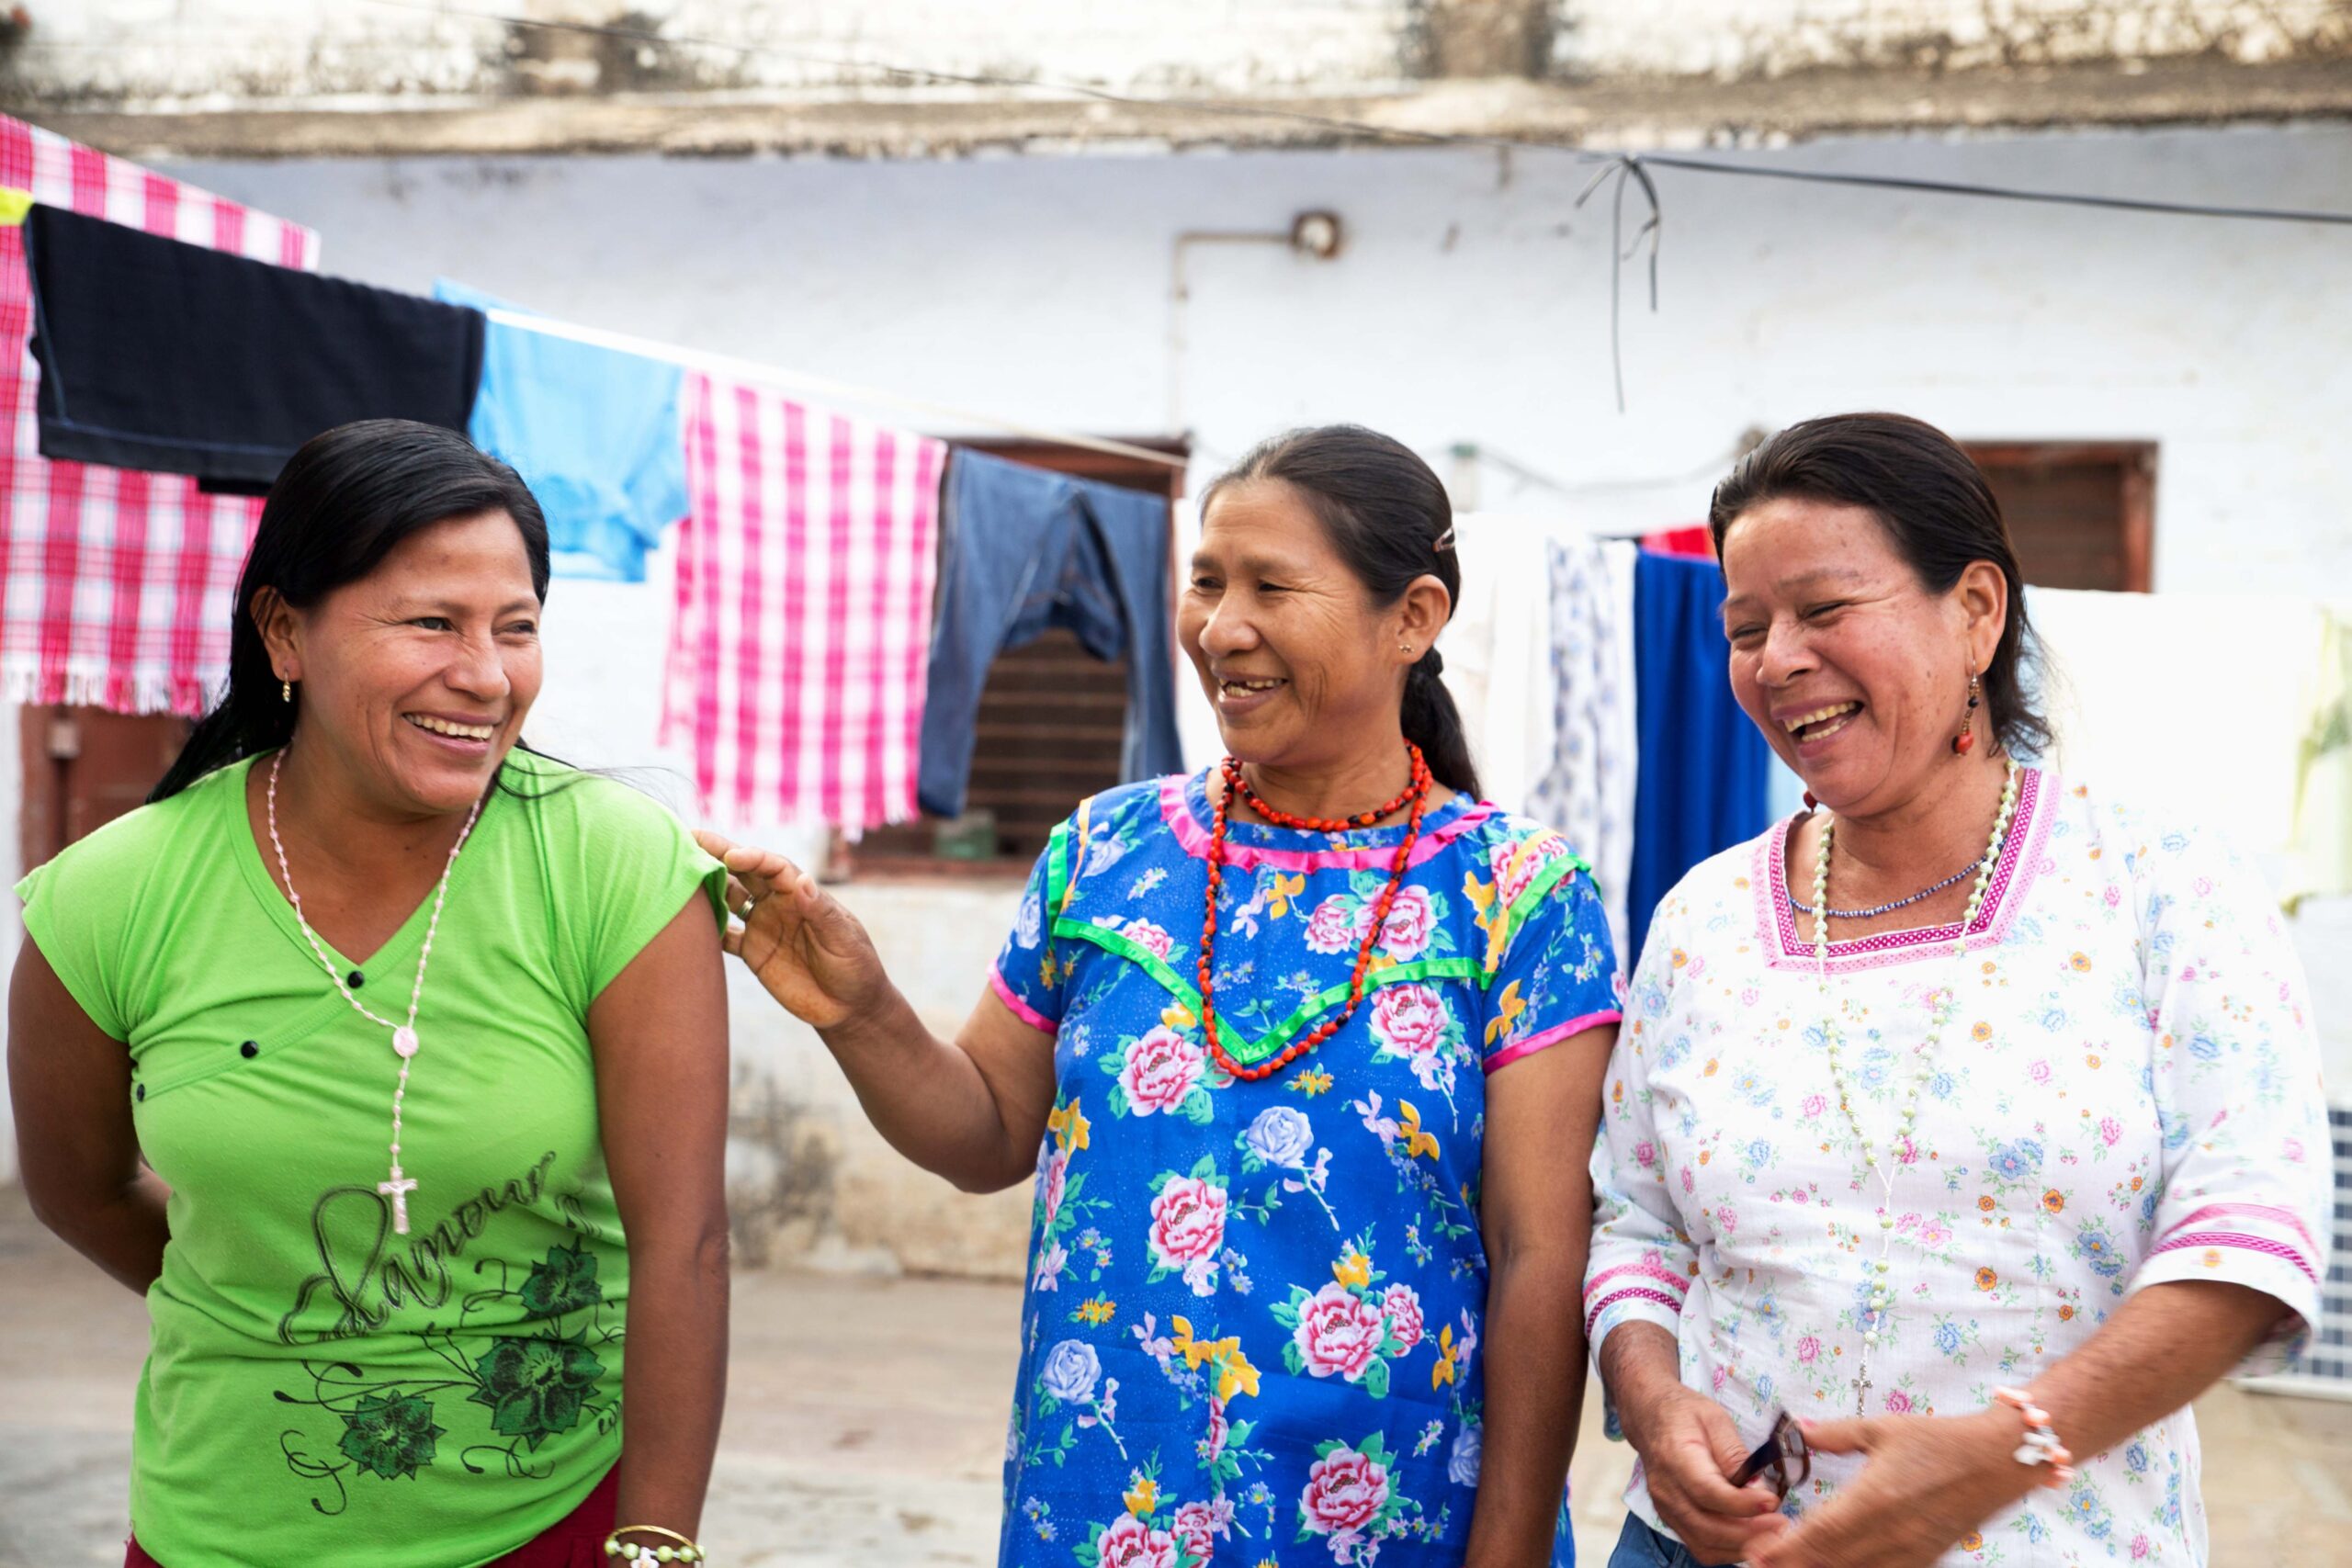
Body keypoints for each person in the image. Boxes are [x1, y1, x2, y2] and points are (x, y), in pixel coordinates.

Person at [700, 425, 1623, 1566]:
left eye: (1271, 587)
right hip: (1097, 1508)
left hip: (1390, 1522)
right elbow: (987, 1133)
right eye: (1204, 581)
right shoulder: (1108, 847)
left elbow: (1539, 1256)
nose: (1219, 628)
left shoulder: (1519, 895)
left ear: (1414, 617)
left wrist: (1509, 1555)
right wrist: (859, 1008)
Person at [1585, 412, 2332, 1568]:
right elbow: (1637, 1221)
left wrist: (2004, 1452)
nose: (1777, 658)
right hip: (1708, 1546)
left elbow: (2246, 1238)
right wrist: (1649, 1399)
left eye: (1825, 610)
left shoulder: (2159, 886)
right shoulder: (1701, 919)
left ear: (1976, 610)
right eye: (1745, 628)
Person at [7, 422, 732, 1568]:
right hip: (218, 1529)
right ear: (285, 631)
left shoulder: (614, 865)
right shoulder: (114, 895)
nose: (486, 677)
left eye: (517, 629)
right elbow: (78, 1190)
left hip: (542, 1525)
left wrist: (652, 1544)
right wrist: (278, 1319)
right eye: (433, 623)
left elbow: (683, 1242)